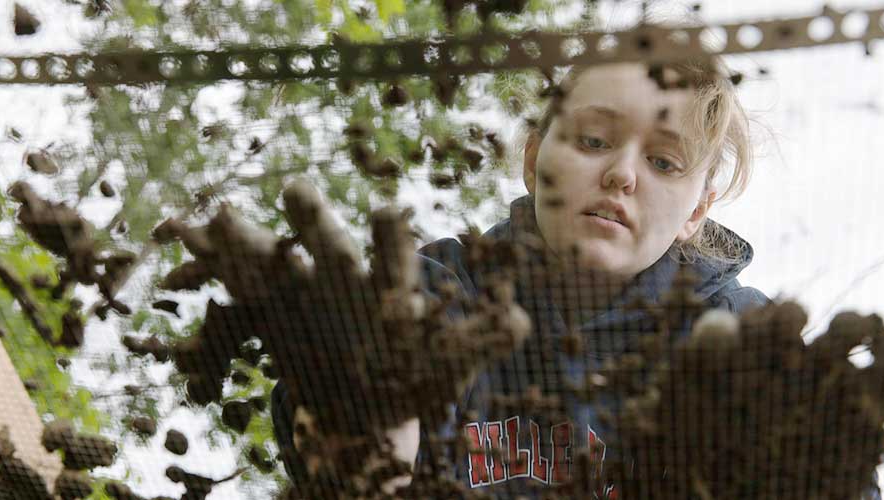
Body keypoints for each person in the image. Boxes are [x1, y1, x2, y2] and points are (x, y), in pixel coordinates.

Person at [272, 52, 770, 498]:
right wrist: (361, 405)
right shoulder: (442, 291)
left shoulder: (737, 337)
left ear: (696, 211)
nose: (622, 174)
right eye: (594, 139)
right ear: (534, 160)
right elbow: (342, 446)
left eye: (663, 161)